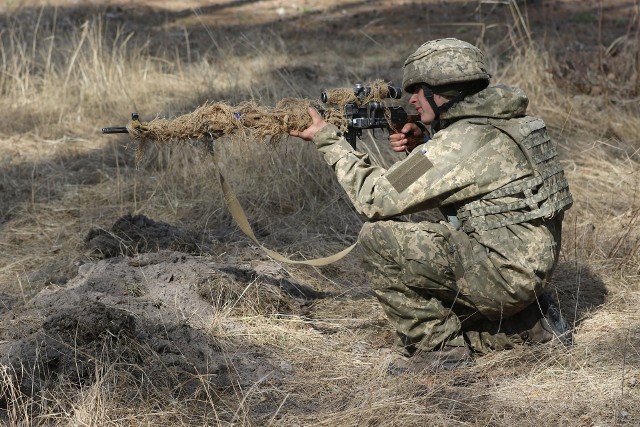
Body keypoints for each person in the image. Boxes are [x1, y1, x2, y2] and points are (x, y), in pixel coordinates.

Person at [289, 38, 573, 373]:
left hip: (503, 277)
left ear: (443, 92)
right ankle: (531, 323)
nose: (410, 98)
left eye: (418, 89)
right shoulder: (508, 121)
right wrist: (424, 145)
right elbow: (476, 186)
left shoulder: (459, 141)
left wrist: (328, 140)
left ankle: (440, 356)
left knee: (379, 239)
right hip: (526, 270)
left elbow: (375, 197)